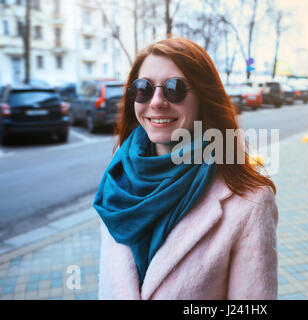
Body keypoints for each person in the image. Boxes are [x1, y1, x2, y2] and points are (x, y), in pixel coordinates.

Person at [93, 37, 278, 300]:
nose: (156, 101)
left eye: (174, 88)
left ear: (203, 97)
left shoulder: (250, 202)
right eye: (143, 88)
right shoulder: (118, 181)